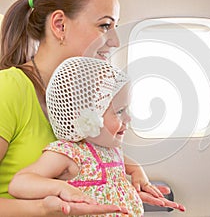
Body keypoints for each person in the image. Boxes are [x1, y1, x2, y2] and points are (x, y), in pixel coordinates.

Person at [0, 0, 185, 216]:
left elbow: (80, 162)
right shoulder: (8, 89)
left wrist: (116, 185)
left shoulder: (82, 95)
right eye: (105, 25)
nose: (116, 40)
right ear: (59, 25)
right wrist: (43, 208)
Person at [9, 57, 144, 216]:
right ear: (91, 114)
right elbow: (19, 183)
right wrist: (60, 188)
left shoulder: (109, 149)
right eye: (120, 111)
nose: (128, 118)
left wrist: (136, 169)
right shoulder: (68, 153)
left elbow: (121, 161)